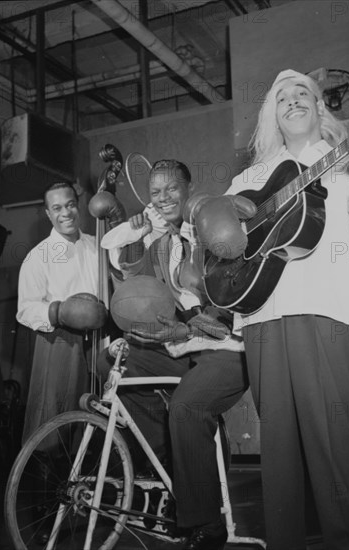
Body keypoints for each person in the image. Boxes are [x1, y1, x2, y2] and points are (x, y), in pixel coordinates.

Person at [191, 69, 349, 549]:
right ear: (271, 113)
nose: (292, 100)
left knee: (333, 437)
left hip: (326, 312)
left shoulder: (346, 158)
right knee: (281, 448)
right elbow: (216, 244)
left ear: (319, 106)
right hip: (263, 317)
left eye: (302, 94)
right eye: (281, 97)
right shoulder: (247, 178)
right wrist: (209, 217)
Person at [98, 160, 249, 550]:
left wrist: (184, 329)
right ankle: (175, 463)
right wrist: (138, 229)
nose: (163, 198)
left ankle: (207, 524)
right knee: (119, 366)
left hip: (229, 350)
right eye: (155, 192)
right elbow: (121, 267)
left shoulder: (213, 229)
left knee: (186, 409)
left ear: (189, 187)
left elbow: (229, 318)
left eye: (171, 189)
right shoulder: (163, 244)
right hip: (186, 348)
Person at [16, 181, 107, 443]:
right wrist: (59, 311)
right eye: (56, 208)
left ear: (78, 206)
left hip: (100, 338)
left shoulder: (96, 245)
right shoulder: (38, 256)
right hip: (60, 339)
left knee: (98, 412)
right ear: (48, 214)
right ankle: (49, 479)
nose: (65, 213)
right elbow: (24, 309)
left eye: (69, 205)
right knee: (54, 420)